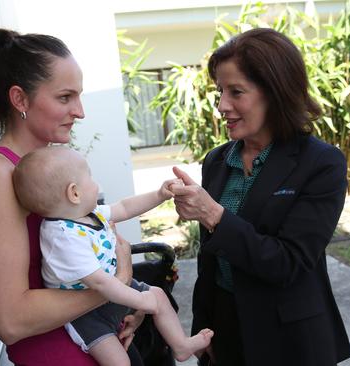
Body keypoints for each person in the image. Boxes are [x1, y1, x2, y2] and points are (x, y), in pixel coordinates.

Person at [0, 28, 143, 365]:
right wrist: (119, 285)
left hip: (95, 340)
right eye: (65, 97)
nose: (80, 111)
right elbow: (11, 320)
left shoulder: (44, 168)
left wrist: (126, 304)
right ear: (20, 100)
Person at [170, 28, 350, 365]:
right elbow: (210, 263)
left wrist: (213, 214)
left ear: (276, 92)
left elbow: (288, 262)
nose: (222, 105)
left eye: (236, 92)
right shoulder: (217, 160)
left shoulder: (321, 163)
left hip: (289, 338)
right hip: (224, 328)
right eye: (220, 91)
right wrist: (203, 329)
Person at [12, 145, 213, 365]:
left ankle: (181, 346)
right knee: (119, 361)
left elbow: (124, 208)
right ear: (74, 193)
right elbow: (100, 283)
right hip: (85, 313)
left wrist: (159, 195)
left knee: (158, 295)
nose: (95, 183)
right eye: (89, 177)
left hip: (114, 290)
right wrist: (140, 300)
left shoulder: (87, 214)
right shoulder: (63, 238)